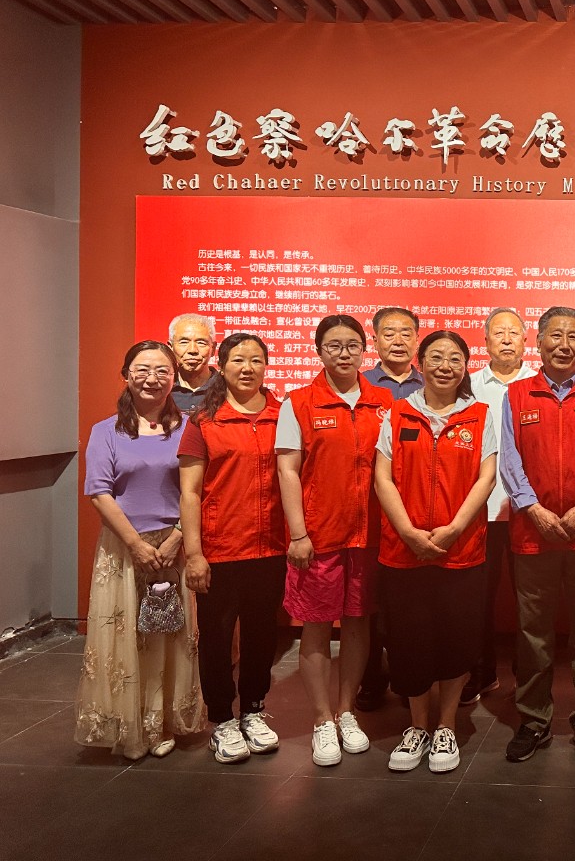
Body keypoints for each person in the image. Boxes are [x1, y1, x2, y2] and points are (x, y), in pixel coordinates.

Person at [501, 307, 575, 764]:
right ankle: (533, 721)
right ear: (538, 341)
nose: (564, 345)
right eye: (555, 335)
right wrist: (533, 509)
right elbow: (509, 460)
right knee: (533, 634)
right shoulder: (517, 394)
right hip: (532, 536)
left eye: (574, 336)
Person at [373, 330, 497, 773]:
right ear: (420, 363)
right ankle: (417, 727)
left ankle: (446, 726)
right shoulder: (398, 413)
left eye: (455, 359)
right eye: (437, 357)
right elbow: (382, 477)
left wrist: (454, 529)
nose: (446, 366)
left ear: (465, 367)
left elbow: (486, 478)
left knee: (456, 640)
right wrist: (408, 532)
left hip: (460, 550)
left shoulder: (480, 415)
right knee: (409, 642)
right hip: (403, 551)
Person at [75, 341, 203, 759]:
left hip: (173, 546)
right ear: (126, 375)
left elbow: (198, 490)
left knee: (167, 636)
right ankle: (126, 725)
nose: (152, 378)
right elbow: (98, 492)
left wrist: (177, 538)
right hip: (123, 548)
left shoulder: (189, 428)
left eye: (162, 370)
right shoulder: (105, 431)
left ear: (174, 378)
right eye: (142, 369)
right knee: (124, 638)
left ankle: (161, 723)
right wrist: (135, 544)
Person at [276, 314, 393, 766]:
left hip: (370, 535)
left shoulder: (384, 401)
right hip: (319, 536)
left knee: (359, 622)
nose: (344, 354)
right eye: (333, 346)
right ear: (318, 350)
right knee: (317, 624)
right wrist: (299, 533)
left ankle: (347, 712)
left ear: (364, 349)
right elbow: (288, 470)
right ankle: (322, 719)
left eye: (352, 345)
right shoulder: (299, 402)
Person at [179, 333, 286, 763]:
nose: (248, 368)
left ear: (266, 366)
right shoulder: (204, 420)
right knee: (218, 638)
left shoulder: (283, 415)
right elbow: (190, 492)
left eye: (256, 360)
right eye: (238, 360)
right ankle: (221, 718)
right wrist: (194, 554)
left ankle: (254, 710)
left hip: (271, 547)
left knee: (263, 635)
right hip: (221, 549)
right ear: (221, 367)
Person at [464, 306, 537, 706]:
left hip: (529, 511)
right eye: (499, 333)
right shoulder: (469, 386)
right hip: (482, 510)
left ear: (526, 340)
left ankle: (527, 678)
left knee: (530, 600)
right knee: (478, 598)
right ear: (486, 340)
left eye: (514, 333)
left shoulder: (540, 383)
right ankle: (481, 673)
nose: (507, 339)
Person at [356, 306, 423, 712]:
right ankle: (370, 677)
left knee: (409, 604)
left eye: (406, 333)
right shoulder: (360, 385)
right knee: (369, 602)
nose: (398, 341)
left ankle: (407, 676)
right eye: (389, 333)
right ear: (375, 340)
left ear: (417, 339)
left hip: (420, 511)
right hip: (368, 510)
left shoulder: (432, 383)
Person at [169, 314, 216, 413]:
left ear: (213, 348)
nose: (192, 350)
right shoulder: (162, 388)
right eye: (184, 342)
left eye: (201, 343)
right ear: (170, 347)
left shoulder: (226, 388)